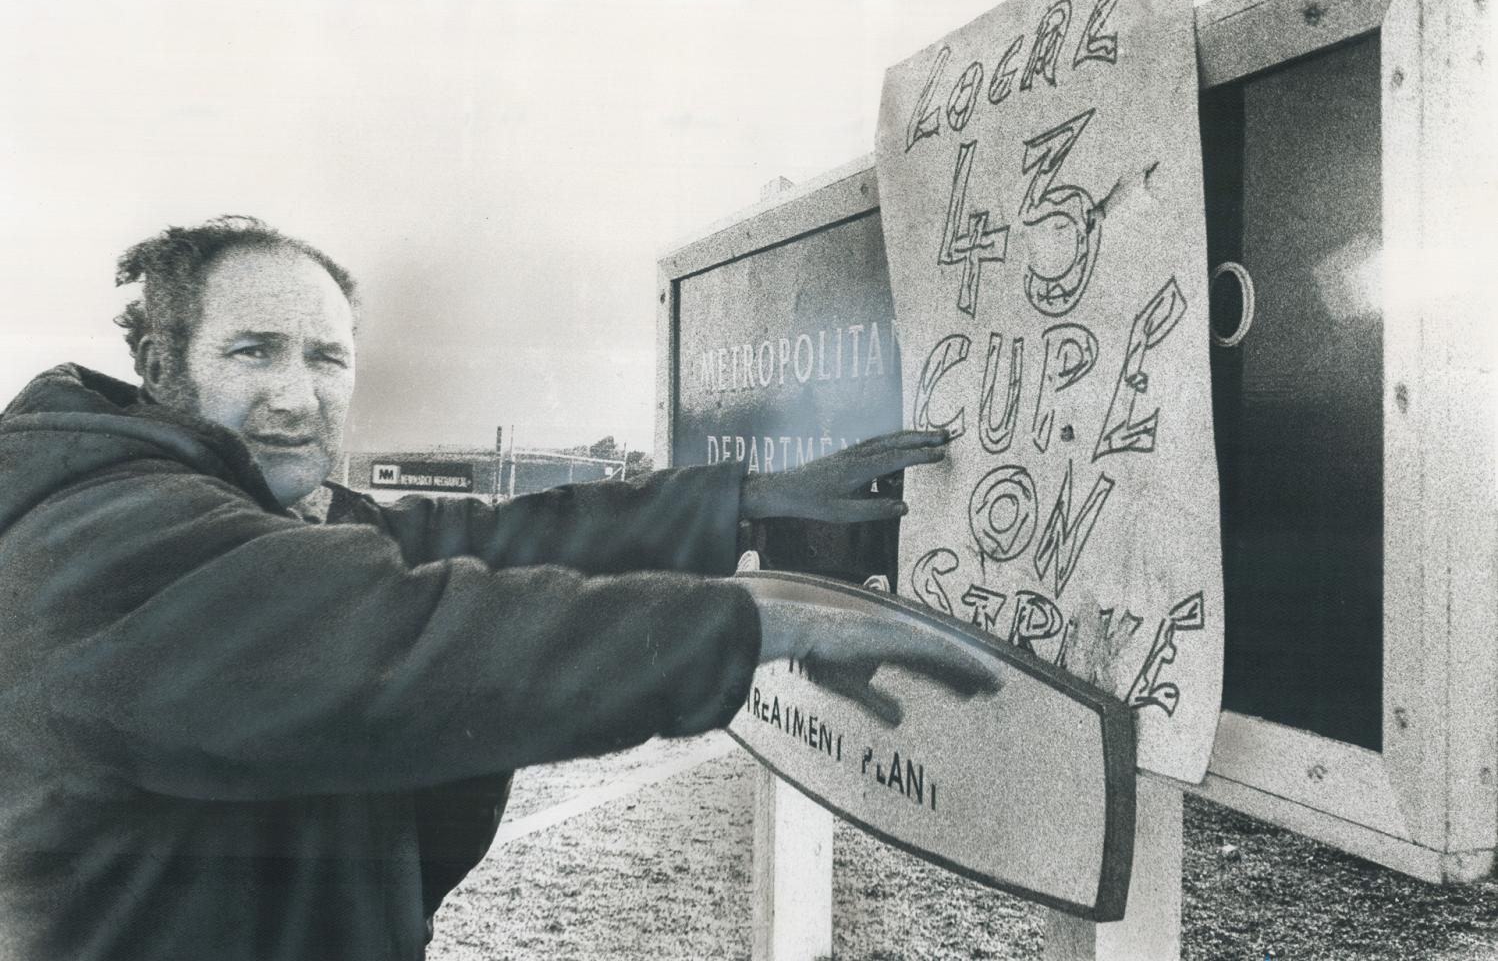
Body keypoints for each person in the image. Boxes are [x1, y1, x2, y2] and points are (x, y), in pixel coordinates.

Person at [0, 215, 989, 960]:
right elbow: (410, 641)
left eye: (326, 358)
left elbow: (488, 539)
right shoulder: (97, 534)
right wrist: (753, 623)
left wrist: (745, 502)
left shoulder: (256, 513)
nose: (297, 397)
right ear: (158, 364)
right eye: (252, 351)